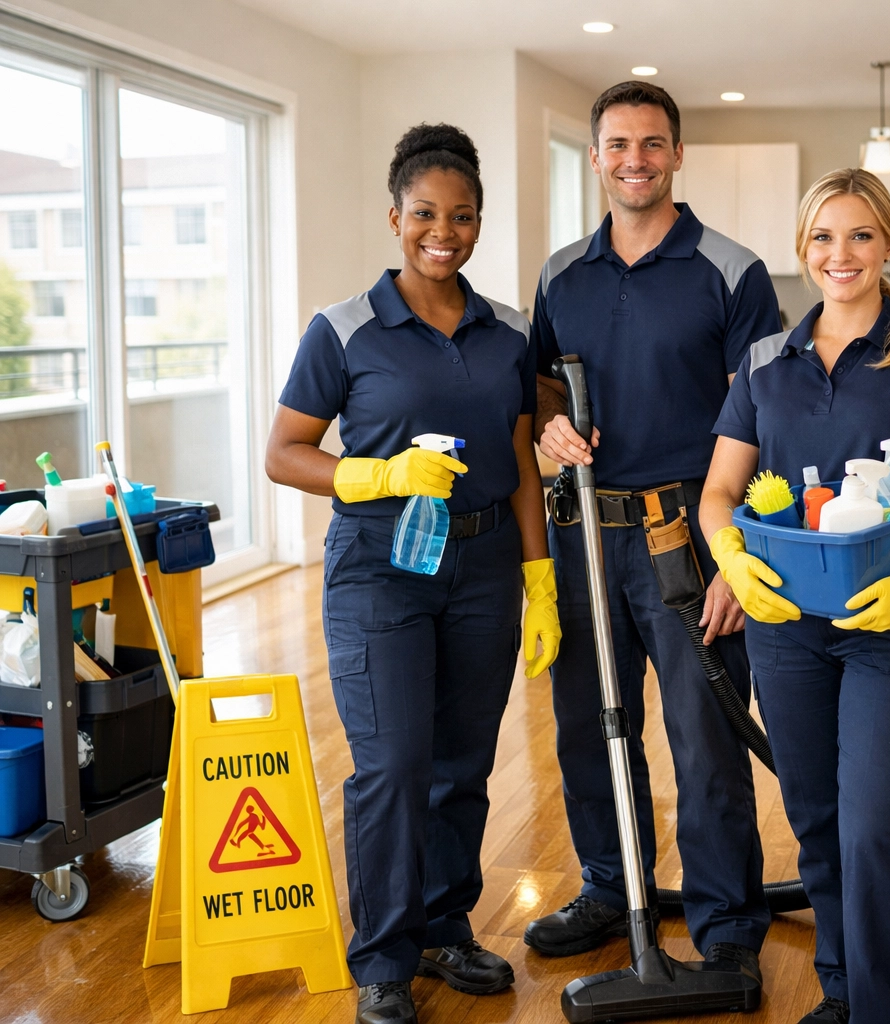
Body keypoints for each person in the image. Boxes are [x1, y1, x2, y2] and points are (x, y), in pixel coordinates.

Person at [266, 123, 560, 1024]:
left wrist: (538, 577)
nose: (446, 230)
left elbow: (518, 457)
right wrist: (374, 473)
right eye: (427, 213)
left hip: (480, 568)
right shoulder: (344, 329)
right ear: (395, 217)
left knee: (464, 762)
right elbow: (284, 454)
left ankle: (444, 924)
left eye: (463, 216)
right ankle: (386, 957)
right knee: (393, 763)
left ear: (478, 224)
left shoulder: (508, 331)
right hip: (378, 566)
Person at [700, 168, 890, 1024]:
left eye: (860, 235)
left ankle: (887, 1013)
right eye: (824, 237)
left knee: (876, 826)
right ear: (802, 249)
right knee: (820, 820)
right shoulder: (764, 363)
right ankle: (845, 993)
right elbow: (720, 491)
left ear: (889, 245)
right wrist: (733, 557)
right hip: (788, 632)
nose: (842, 254)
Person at [524, 81, 780, 986]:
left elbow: (769, 421)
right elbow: (544, 393)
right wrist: (553, 428)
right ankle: (608, 885)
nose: (635, 158)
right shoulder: (561, 275)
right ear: (596, 157)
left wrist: (738, 558)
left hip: (689, 535)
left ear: (677, 154)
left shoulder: (730, 269)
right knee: (591, 726)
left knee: (706, 731)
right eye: (618, 144)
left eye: (652, 143)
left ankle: (726, 913)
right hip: (584, 534)